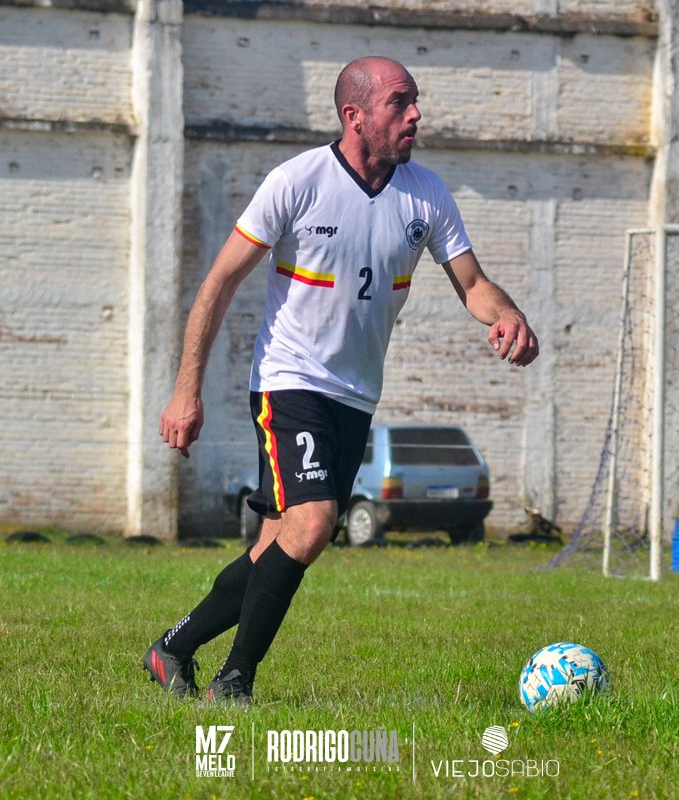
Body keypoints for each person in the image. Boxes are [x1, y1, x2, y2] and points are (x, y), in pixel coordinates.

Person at [142, 56, 539, 705]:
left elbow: (473, 285)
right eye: (399, 102)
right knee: (315, 523)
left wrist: (507, 315)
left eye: (415, 101)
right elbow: (217, 284)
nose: (416, 114)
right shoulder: (297, 183)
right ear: (354, 115)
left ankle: (171, 649)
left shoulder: (427, 194)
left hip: (355, 397)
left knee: (278, 543)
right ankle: (234, 682)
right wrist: (187, 390)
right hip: (289, 381)